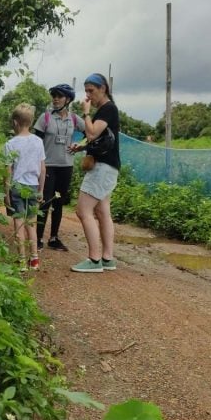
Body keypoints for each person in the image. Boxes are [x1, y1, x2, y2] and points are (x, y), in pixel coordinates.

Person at [69, 73, 121, 273]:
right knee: (102, 211)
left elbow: (91, 133)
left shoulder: (108, 109)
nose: (88, 96)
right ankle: (107, 258)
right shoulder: (105, 111)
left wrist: (85, 113)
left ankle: (94, 259)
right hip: (107, 166)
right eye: (86, 91)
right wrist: (80, 147)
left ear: (103, 89)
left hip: (102, 167)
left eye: (91, 91)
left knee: (83, 211)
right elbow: (94, 140)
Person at [32, 83, 86, 251]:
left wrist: (81, 146)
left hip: (66, 166)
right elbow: (35, 142)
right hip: (47, 166)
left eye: (59, 96)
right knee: (45, 202)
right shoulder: (45, 117)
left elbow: (90, 133)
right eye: (54, 96)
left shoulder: (75, 119)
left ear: (68, 99)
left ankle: (54, 238)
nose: (55, 99)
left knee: (59, 203)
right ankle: (38, 239)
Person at [3, 103, 46, 271]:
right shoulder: (38, 142)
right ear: (31, 121)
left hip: (17, 187)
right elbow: (43, 168)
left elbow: (7, 172)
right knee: (32, 224)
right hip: (34, 186)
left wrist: (6, 194)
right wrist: (41, 190)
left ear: (15, 122)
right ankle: (34, 259)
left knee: (19, 224)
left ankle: (21, 261)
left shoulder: (10, 144)